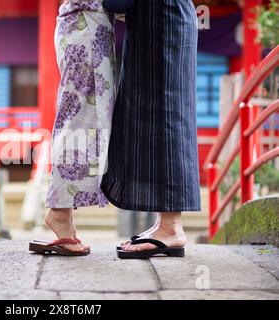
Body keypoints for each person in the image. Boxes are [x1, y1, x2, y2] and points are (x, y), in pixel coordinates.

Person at [101, 0, 201, 259]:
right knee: (158, 115)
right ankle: (164, 223)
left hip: (162, 21)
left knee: (166, 116)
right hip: (159, 18)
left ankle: (171, 227)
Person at [29, 0, 116, 256]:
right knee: (78, 117)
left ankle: (64, 214)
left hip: (88, 22)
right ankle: (59, 210)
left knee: (83, 116)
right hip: (85, 21)